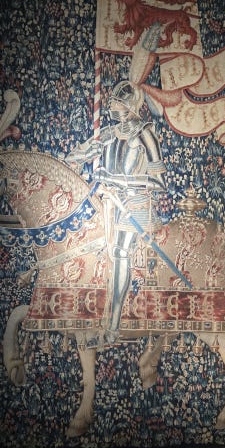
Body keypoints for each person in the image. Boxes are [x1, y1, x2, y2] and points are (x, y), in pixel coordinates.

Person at [66, 80, 166, 345]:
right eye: (113, 102)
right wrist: (78, 157)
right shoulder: (108, 133)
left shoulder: (145, 133)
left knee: (120, 253)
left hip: (136, 206)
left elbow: (159, 182)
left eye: (118, 102)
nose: (112, 106)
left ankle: (112, 327)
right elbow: (75, 156)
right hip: (108, 204)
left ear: (130, 105)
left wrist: (118, 180)